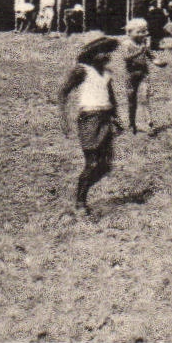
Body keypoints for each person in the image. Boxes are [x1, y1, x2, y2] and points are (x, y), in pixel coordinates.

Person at [57, 34, 124, 219]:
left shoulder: (107, 73)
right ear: (92, 54)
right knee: (92, 162)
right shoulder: (82, 70)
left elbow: (112, 98)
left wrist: (116, 118)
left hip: (105, 118)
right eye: (101, 52)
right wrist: (64, 119)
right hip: (90, 119)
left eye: (108, 52)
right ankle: (80, 201)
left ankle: (82, 189)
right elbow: (63, 92)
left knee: (105, 165)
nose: (106, 56)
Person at [119, 17, 166, 134]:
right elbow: (126, 58)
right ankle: (131, 124)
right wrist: (139, 52)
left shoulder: (143, 44)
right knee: (131, 101)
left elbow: (151, 56)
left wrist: (159, 63)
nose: (141, 35)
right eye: (138, 32)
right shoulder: (127, 44)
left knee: (145, 98)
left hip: (143, 74)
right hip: (130, 75)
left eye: (143, 32)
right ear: (129, 32)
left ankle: (149, 124)